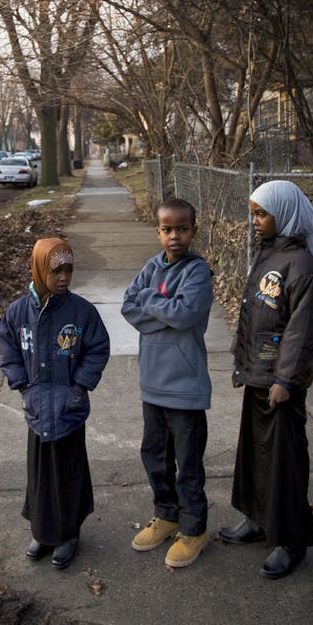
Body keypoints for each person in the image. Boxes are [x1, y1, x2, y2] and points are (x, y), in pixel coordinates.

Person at [218, 180, 313, 580]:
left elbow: (301, 332)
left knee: (284, 461)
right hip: (258, 375)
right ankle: (258, 519)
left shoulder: (302, 265)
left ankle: (291, 540)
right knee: (255, 454)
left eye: (261, 214)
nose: (255, 221)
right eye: (253, 213)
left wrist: (286, 379)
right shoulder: (268, 255)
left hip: (280, 381)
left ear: (285, 213)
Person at [0, 237, 111, 571]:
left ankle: (68, 534)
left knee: (68, 474)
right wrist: (22, 385)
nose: (64, 277)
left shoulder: (81, 312)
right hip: (37, 410)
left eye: (69, 270)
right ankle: (43, 532)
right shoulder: (18, 313)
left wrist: (79, 385)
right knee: (41, 475)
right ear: (38, 269)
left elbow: (98, 348)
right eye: (55, 270)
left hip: (69, 411)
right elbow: (9, 348)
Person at [120, 198, 215, 569]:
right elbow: (129, 305)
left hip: (186, 387)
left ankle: (194, 529)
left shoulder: (197, 272)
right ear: (158, 230)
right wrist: (162, 305)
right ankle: (167, 515)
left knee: (188, 463)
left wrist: (153, 303)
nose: (175, 236)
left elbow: (187, 311)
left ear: (194, 230)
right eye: (167, 229)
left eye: (182, 228)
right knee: (155, 457)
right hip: (152, 383)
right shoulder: (151, 267)